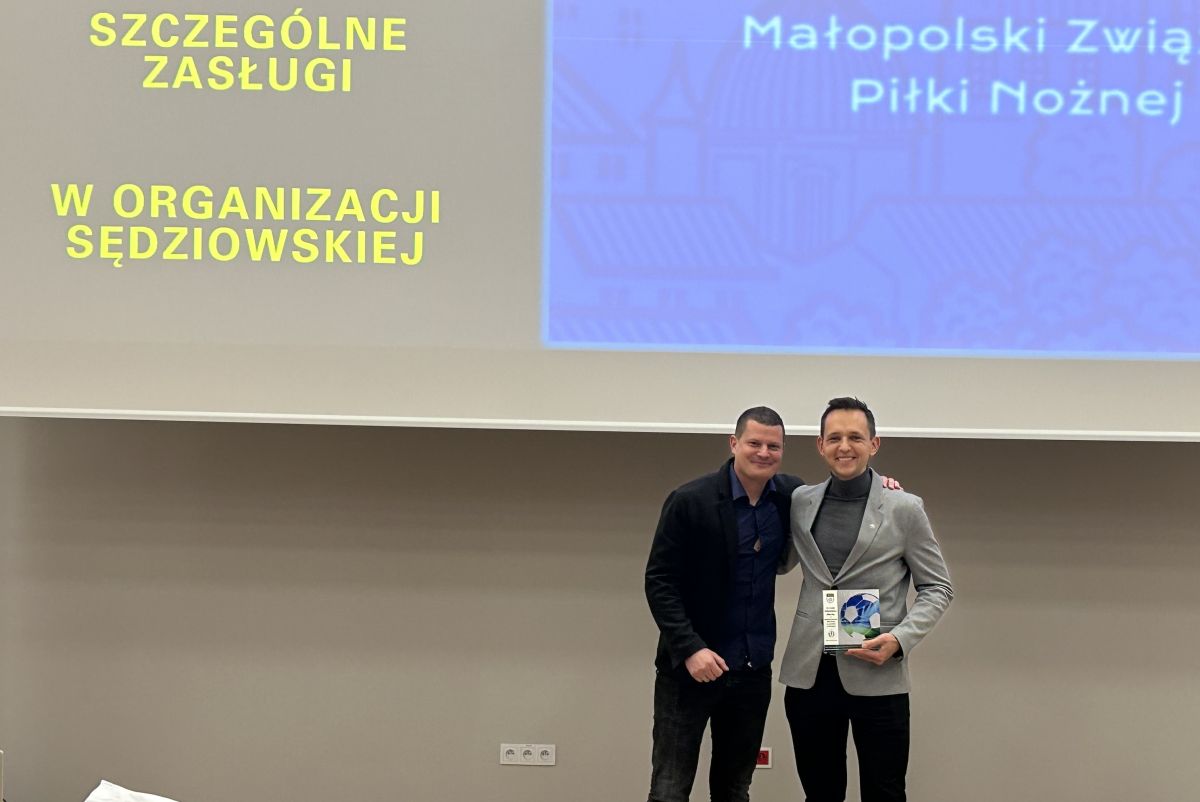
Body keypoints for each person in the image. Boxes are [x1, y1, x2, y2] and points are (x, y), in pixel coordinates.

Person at [778, 397, 953, 802]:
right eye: (835, 438)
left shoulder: (904, 508)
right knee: (820, 793)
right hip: (810, 673)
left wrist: (900, 640)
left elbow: (938, 587)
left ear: (874, 444)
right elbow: (780, 558)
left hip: (877, 670)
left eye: (856, 437)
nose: (845, 446)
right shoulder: (800, 502)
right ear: (820, 445)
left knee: (885, 791)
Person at [644, 406, 801, 802]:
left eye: (773, 446)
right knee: (669, 790)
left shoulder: (790, 497)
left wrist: (884, 486)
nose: (763, 452)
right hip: (689, 672)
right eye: (754, 443)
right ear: (733, 443)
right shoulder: (689, 501)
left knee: (734, 790)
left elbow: (841, 497)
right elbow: (660, 582)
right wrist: (690, 649)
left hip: (751, 671)